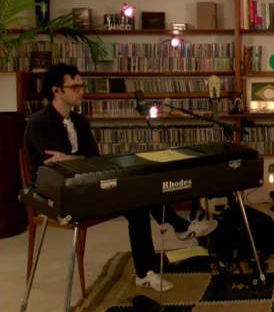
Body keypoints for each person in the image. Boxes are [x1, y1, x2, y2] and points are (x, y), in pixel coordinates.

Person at [23, 64, 219, 292]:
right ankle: (179, 228)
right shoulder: (39, 123)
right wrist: (76, 160)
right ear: (56, 90)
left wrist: (71, 158)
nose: (82, 91)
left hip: (86, 184)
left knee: (138, 196)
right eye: (75, 87)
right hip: (58, 196)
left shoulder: (80, 121)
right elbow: (56, 167)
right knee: (137, 199)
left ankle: (147, 271)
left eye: (82, 86)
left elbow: (92, 158)